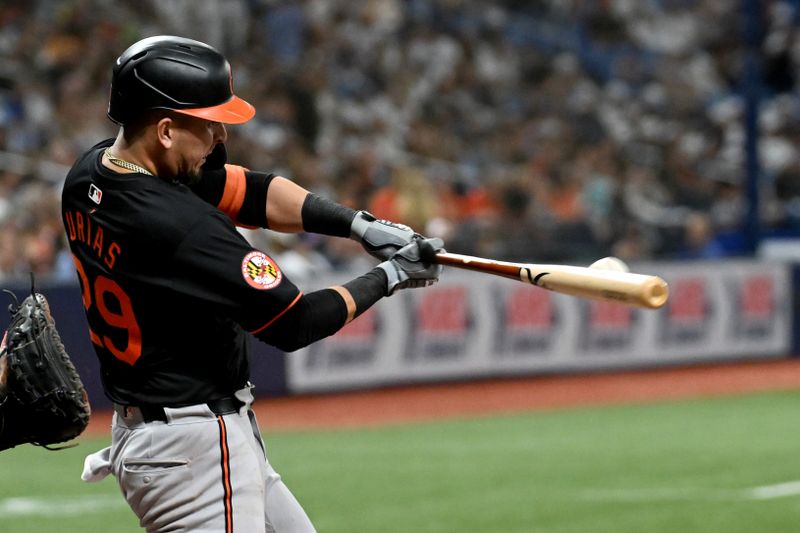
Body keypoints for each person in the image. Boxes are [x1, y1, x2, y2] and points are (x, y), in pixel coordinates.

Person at [63, 35, 443, 533]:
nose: (221, 135)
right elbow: (295, 322)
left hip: (168, 433)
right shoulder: (184, 227)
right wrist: (390, 276)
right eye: (209, 122)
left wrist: (357, 225)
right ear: (165, 130)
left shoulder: (91, 173)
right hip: (192, 450)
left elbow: (252, 191)